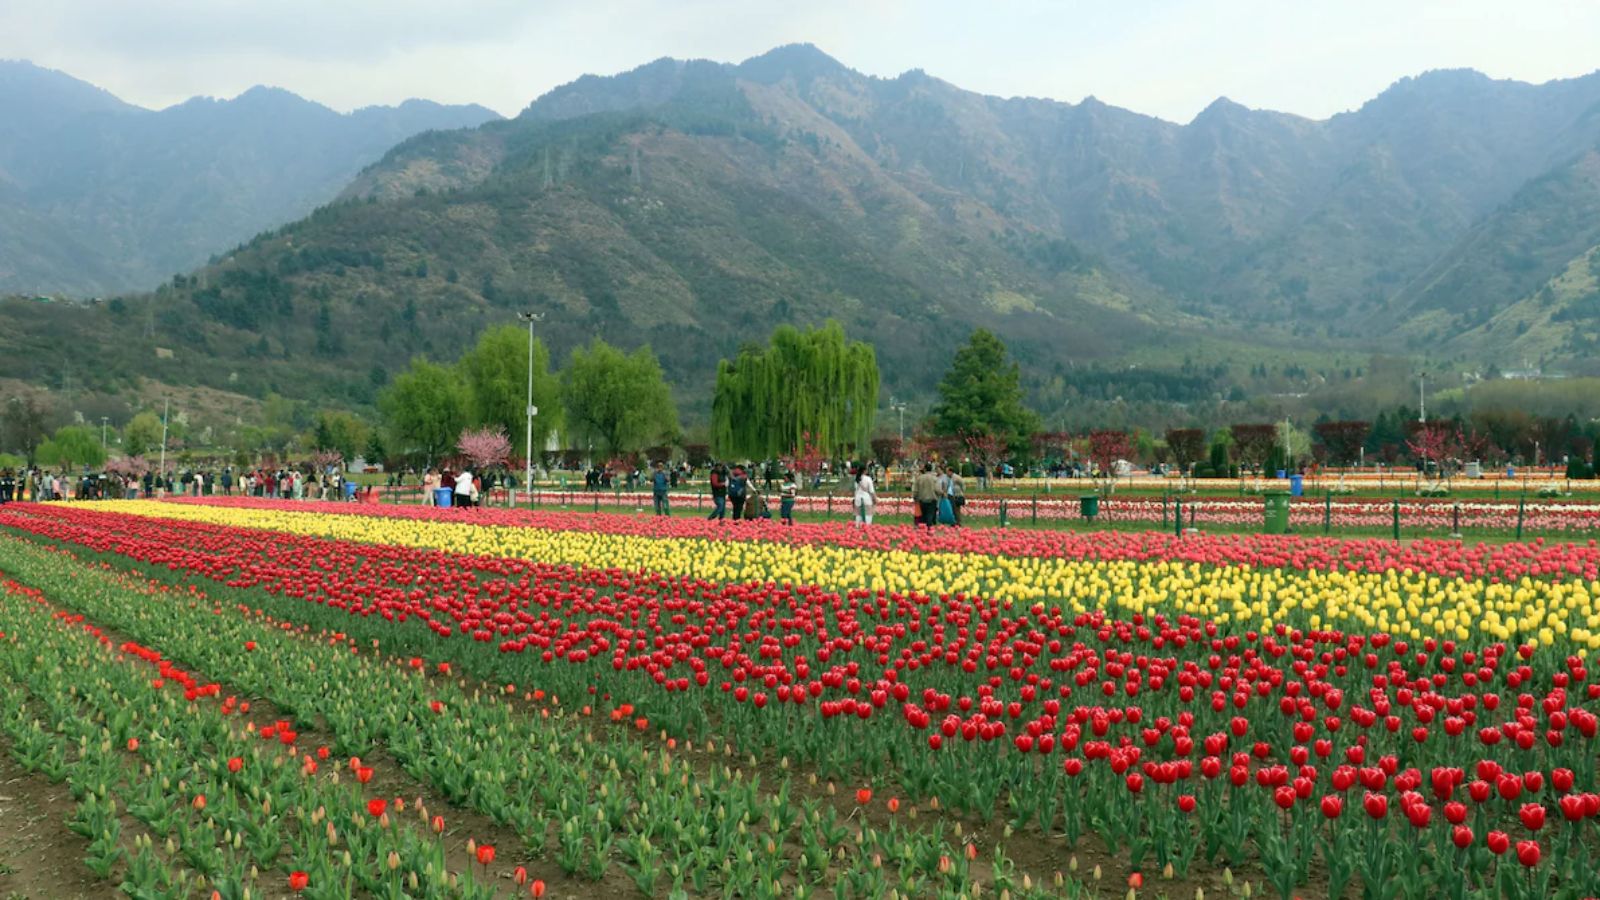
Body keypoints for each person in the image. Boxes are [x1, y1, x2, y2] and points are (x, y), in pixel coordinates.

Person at [912, 463, 943, 531]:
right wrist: (942, 493)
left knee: (923, 515)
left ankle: (923, 529)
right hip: (932, 499)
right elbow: (937, 489)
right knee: (930, 514)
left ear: (925, 469)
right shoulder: (934, 478)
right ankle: (929, 528)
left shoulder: (919, 478)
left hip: (922, 499)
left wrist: (915, 497)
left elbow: (915, 490)